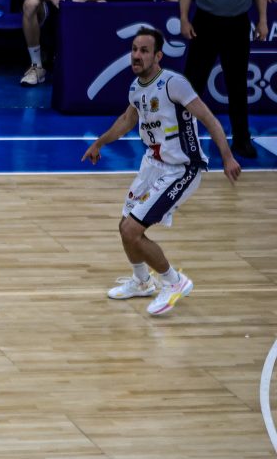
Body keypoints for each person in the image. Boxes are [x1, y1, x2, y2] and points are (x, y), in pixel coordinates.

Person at [81, 27, 241, 316]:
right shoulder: (136, 87)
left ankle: (174, 281)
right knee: (125, 226)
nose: (136, 55)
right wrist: (99, 142)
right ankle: (142, 282)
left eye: (144, 50)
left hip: (182, 169)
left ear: (158, 56)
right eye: (134, 49)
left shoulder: (173, 84)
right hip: (152, 165)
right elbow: (127, 120)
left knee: (132, 230)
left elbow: (209, 119)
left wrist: (227, 157)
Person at [180, 0, 270, 158]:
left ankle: (241, 140)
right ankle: (180, 138)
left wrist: (263, 20)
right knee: (192, 83)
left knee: (237, 84)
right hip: (206, 22)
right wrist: (184, 19)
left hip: (238, 24)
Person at [20, 0, 109, 86]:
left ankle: (94, 65)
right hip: (52, 9)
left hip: (80, 10)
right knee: (30, 4)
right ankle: (36, 67)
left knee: (101, 3)